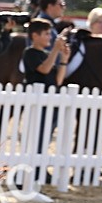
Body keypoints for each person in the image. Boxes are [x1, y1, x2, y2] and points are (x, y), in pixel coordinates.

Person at [23, 18, 70, 183]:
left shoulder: (46, 55)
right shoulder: (30, 53)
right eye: (46, 34)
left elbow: (57, 80)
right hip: (38, 103)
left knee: (46, 137)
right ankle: (32, 170)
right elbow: (43, 70)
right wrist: (55, 51)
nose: (50, 37)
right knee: (38, 136)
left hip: (51, 101)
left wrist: (64, 58)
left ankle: (40, 169)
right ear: (35, 36)